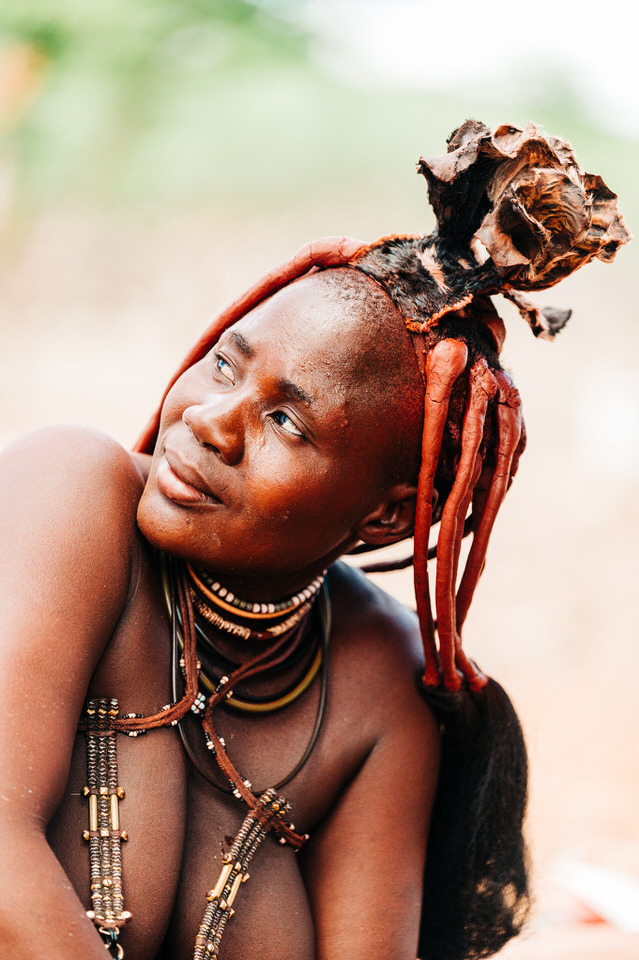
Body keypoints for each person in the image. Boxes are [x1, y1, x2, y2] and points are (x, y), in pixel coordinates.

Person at [0, 121, 629, 960]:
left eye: (286, 420)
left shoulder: (378, 684)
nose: (210, 422)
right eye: (226, 364)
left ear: (381, 518)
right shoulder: (70, 490)